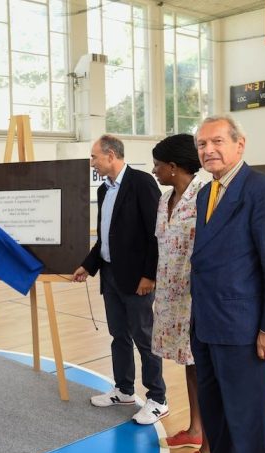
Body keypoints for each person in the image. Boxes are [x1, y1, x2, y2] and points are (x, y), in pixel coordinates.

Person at [191, 115, 265, 453]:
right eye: (202, 145)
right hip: (206, 326)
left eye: (217, 141)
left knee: (248, 422)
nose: (209, 150)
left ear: (240, 144)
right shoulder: (206, 192)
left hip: (245, 330)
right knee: (218, 418)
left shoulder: (263, 192)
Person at [73, 135, 167, 425]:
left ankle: (158, 398)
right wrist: (88, 266)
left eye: (94, 157)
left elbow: (155, 233)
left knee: (144, 337)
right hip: (111, 275)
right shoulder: (104, 190)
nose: (92, 162)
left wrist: (149, 275)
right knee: (119, 336)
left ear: (110, 155)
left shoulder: (141, 183)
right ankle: (124, 389)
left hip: (138, 278)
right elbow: (105, 237)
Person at [150, 134, 209, 453]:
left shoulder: (205, 196)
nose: (155, 170)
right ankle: (195, 428)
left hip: (196, 298)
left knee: (204, 370)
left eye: (159, 164)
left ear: (173, 167)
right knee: (189, 366)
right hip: (171, 299)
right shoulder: (165, 199)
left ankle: (210, 443)